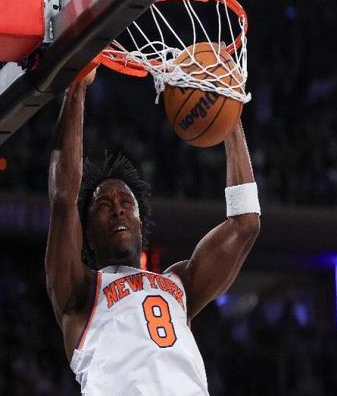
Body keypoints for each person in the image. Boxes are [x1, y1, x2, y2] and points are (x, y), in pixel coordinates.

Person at [45, 69, 261, 395]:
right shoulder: (81, 292)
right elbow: (63, 199)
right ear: (86, 233)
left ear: (140, 223)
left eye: (125, 203)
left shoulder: (180, 283)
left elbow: (245, 223)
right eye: (103, 204)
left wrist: (229, 113)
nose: (117, 209)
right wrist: (76, 88)